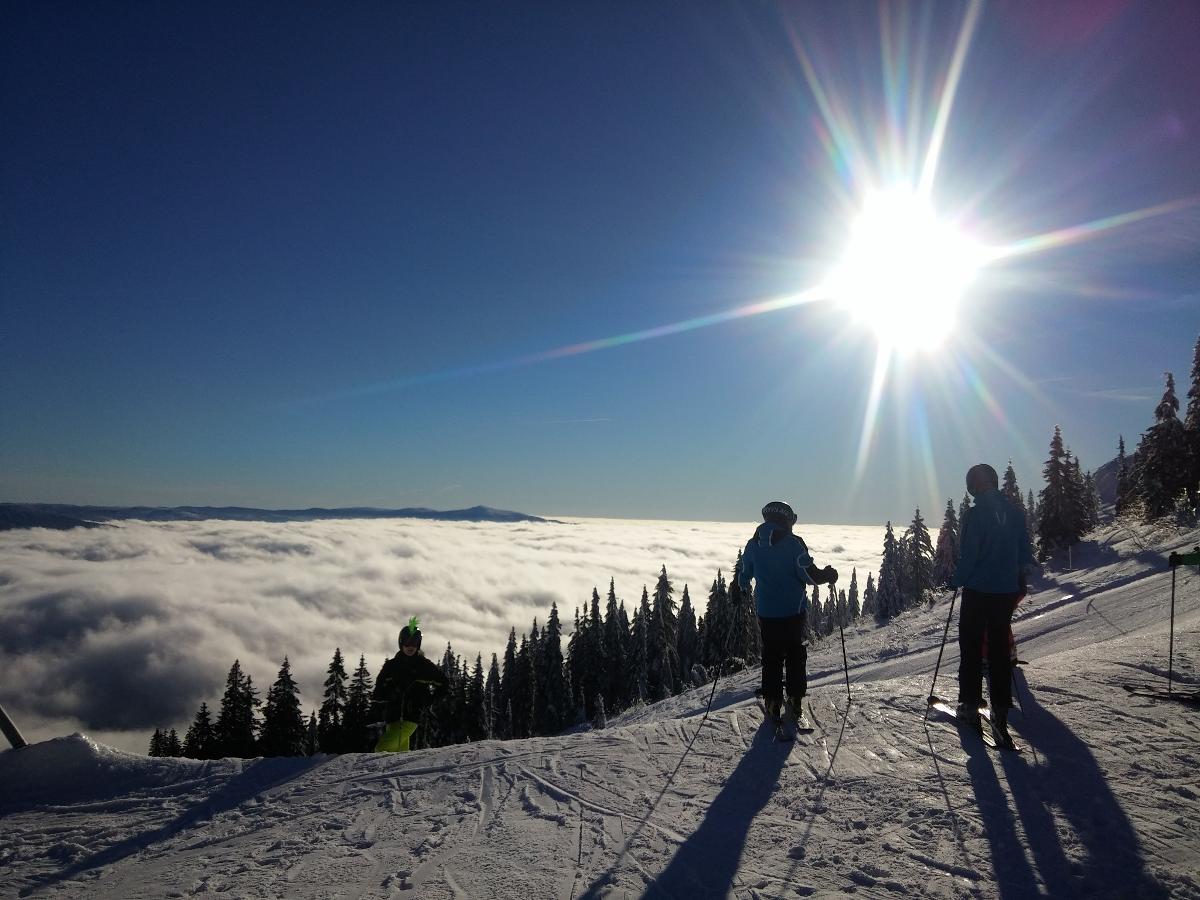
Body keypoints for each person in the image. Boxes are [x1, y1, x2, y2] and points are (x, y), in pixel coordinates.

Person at [738, 500, 838, 730]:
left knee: (771, 655)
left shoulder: (752, 545)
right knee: (794, 654)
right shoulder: (794, 544)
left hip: (766, 612)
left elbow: (745, 575)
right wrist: (828, 575)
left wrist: (739, 588)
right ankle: (794, 701)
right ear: (786, 520)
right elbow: (810, 576)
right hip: (793, 611)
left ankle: (772, 701)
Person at [953, 464, 1034, 749]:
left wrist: (956, 580)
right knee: (999, 651)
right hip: (1005, 591)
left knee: (972, 647)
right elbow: (1025, 550)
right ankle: (1000, 713)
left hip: (978, 590)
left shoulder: (976, 514)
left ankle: (969, 705)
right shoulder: (1014, 514)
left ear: (973, 487)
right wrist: (1018, 574)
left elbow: (970, 553)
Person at [372, 616, 449, 752]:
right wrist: (389, 694)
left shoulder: (424, 666)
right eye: (407, 643)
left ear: (418, 644)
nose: (410, 647)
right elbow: (378, 690)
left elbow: (444, 683)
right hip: (392, 718)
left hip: (410, 718)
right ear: (401, 643)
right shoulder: (391, 666)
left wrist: (428, 700)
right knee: (396, 756)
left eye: (414, 643)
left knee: (381, 750)